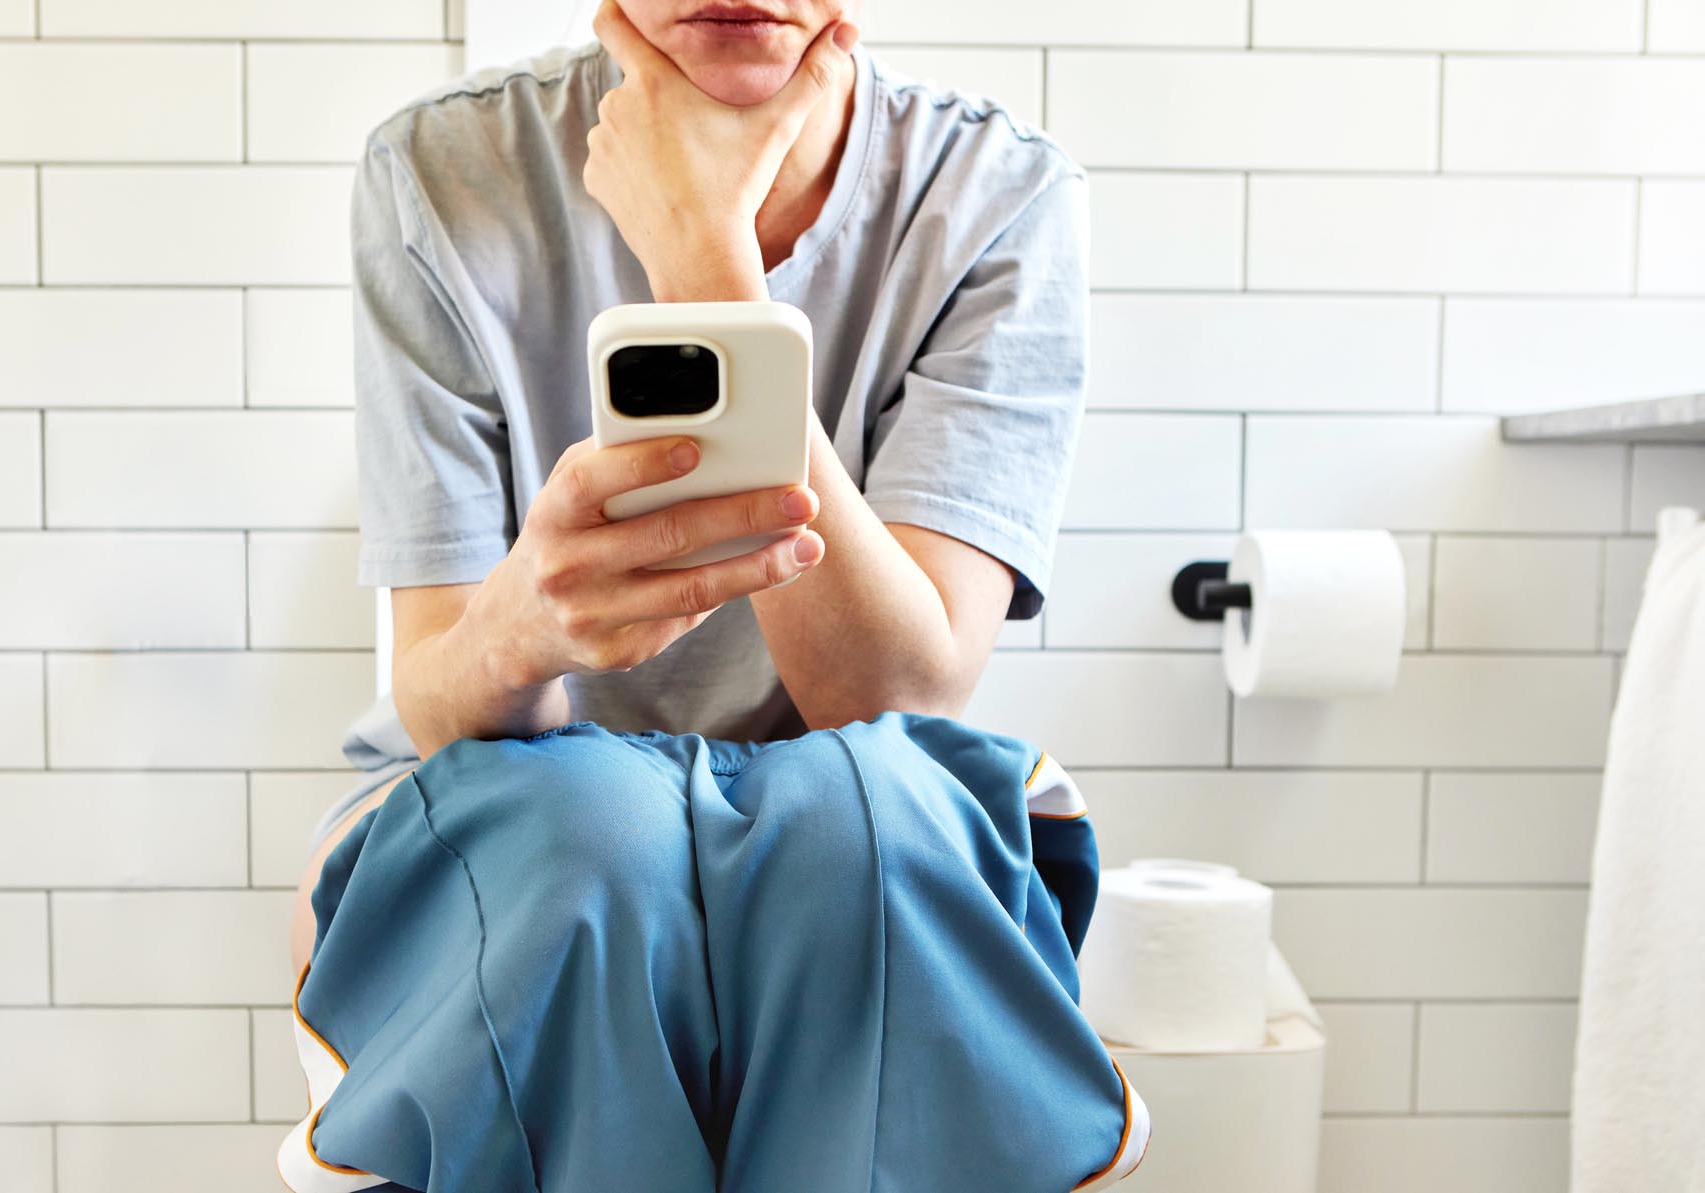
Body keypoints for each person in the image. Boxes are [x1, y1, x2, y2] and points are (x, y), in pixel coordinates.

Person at [278, 2, 1148, 1190]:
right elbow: (434, 695)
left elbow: (883, 692)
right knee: (594, 836)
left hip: (856, 788)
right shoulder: (440, 171)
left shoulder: (997, 195)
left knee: (865, 834)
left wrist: (703, 258)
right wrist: (522, 629)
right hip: (537, 790)